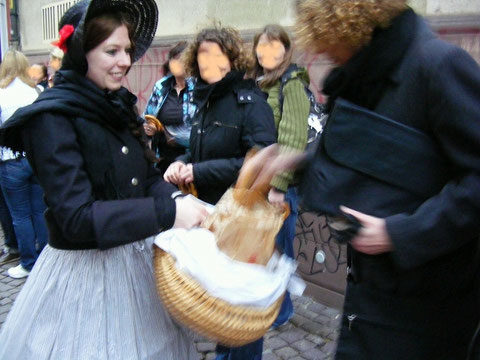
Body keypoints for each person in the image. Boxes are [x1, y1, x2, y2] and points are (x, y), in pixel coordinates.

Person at [0, 0, 207, 358]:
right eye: (111, 51)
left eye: (126, 50)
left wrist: (178, 200)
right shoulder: (51, 118)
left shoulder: (117, 105)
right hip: (82, 278)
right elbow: (76, 219)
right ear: (81, 53)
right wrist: (167, 215)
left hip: (134, 266)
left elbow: (146, 176)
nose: (125, 61)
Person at [294, 1, 480, 359]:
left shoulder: (437, 65)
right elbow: (371, 160)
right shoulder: (367, 76)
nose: (322, 53)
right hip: (370, 298)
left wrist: (399, 234)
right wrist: (293, 164)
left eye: (326, 42)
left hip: (428, 310)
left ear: (347, 24)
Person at [163, 25, 277, 359]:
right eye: (202, 55)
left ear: (232, 58)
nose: (209, 62)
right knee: (221, 303)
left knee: (240, 308)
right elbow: (199, 150)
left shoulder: (251, 103)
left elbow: (260, 163)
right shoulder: (206, 100)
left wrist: (198, 170)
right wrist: (181, 163)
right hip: (211, 217)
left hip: (243, 222)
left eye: (217, 54)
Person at [250, 23, 310, 328]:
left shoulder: (291, 83)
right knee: (261, 249)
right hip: (255, 185)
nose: (267, 52)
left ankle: (281, 312)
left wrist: (278, 186)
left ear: (286, 51)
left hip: (278, 189)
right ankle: (267, 305)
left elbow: (293, 139)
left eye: (275, 46)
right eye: (262, 46)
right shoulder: (258, 83)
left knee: (278, 250)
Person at [0, 49, 48, 279]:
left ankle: (28, 262)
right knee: (39, 211)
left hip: (10, 161)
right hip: (35, 159)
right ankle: (45, 260)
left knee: (20, 216)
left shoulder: (1, 94)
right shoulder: (36, 91)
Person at [143, 41, 196, 175]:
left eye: (182, 59)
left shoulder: (200, 89)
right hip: (162, 157)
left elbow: (204, 128)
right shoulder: (161, 87)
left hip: (191, 159)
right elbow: (147, 117)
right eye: (174, 58)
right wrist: (149, 129)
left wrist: (174, 137)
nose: (178, 63)